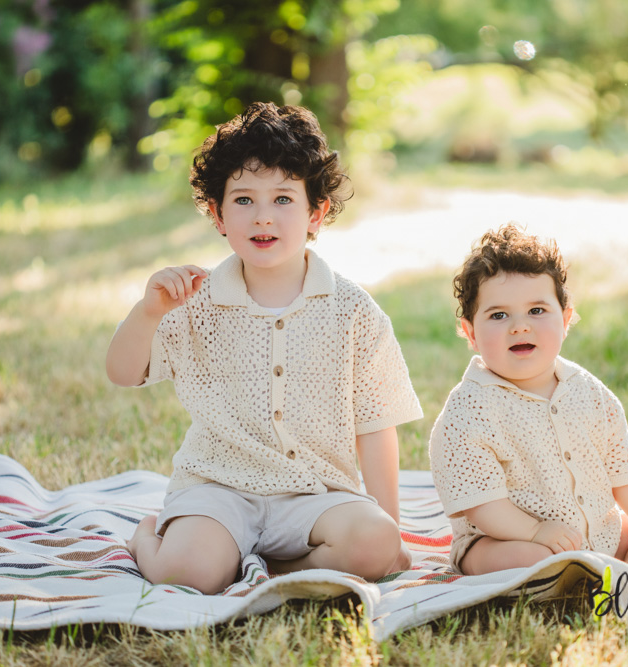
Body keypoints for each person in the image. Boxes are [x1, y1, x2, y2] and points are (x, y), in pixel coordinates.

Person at [107, 102, 422, 594]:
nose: (263, 217)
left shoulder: (352, 311)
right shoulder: (196, 302)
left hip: (316, 495)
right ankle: (148, 542)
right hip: (219, 488)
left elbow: (376, 423)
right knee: (185, 574)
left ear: (316, 214)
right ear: (218, 215)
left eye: (282, 200)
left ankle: (267, 573)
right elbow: (123, 373)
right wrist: (148, 313)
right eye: (244, 200)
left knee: (377, 543)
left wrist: (390, 528)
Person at [429, 223, 628, 585]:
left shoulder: (588, 392)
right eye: (499, 315)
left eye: (537, 311)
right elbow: (483, 505)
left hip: (596, 532)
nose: (520, 326)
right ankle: (586, 576)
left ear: (566, 319)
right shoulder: (470, 411)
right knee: (533, 560)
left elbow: (625, 470)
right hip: (506, 538)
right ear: (471, 333)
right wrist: (535, 531)